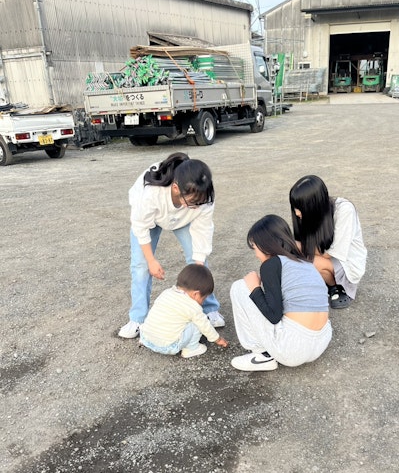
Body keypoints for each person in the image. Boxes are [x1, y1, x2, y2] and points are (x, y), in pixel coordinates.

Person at [118, 152, 225, 339]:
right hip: (150, 219)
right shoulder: (151, 192)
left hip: (182, 219)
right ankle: (138, 319)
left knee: (198, 261)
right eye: (193, 202)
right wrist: (151, 261)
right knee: (141, 266)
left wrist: (198, 269)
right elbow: (140, 227)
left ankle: (208, 309)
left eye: (201, 202)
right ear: (176, 188)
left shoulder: (204, 197)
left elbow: (203, 232)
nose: (198, 205)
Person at [230, 215, 332, 372]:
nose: (256, 254)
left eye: (255, 247)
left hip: (292, 348)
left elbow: (274, 315)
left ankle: (262, 356)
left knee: (240, 287)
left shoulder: (271, 264)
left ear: (265, 244)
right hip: (322, 341)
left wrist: (255, 288)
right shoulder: (304, 262)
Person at [289, 175, 367, 309]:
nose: (296, 213)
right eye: (295, 207)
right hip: (324, 255)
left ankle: (336, 287)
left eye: (300, 207)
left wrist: (294, 245)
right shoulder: (310, 216)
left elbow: (333, 253)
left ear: (313, 205)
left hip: (346, 262)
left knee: (307, 260)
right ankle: (323, 282)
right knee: (296, 256)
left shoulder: (344, 210)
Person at [140, 264, 228, 358]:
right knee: (198, 322)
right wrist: (218, 339)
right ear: (196, 294)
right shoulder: (193, 306)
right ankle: (192, 349)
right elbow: (205, 326)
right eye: (204, 298)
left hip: (146, 339)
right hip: (168, 346)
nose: (203, 302)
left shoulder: (166, 293)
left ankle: (150, 337)